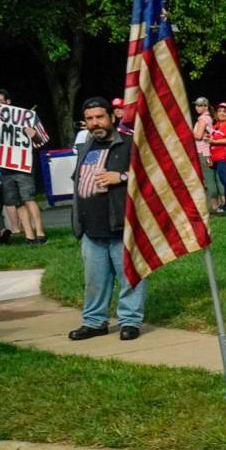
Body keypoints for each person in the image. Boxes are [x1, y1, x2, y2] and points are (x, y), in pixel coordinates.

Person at [68, 97, 146, 340]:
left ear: (112, 117)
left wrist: (121, 177)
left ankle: (130, 322)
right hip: (91, 229)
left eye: (100, 117)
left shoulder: (130, 144)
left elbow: (148, 178)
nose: (95, 123)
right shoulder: (86, 147)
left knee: (130, 277)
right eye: (90, 119)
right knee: (94, 281)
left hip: (123, 227)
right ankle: (94, 322)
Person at [0, 88, 46, 244]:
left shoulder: (24, 118)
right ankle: (29, 235)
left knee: (28, 198)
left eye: (0, 101)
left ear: (8, 102)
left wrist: (34, 135)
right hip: (5, 167)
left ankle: (40, 233)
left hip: (23, 165)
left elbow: (42, 141)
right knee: (16, 202)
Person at [191, 96, 220, 212]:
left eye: (200, 105)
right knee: (215, 177)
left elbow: (197, 136)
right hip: (210, 151)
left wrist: (188, 131)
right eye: (196, 105)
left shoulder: (202, 119)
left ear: (206, 107)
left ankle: (215, 206)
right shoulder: (209, 118)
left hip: (203, 152)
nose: (197, 107)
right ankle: (222, 203)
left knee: (209, 179)